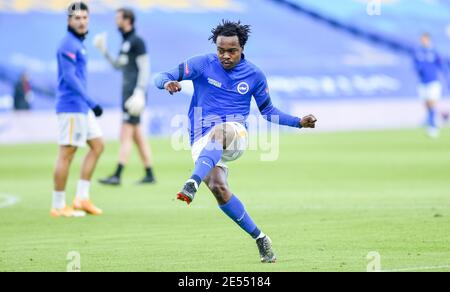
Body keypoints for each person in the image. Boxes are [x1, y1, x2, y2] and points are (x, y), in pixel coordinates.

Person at [154, 20, 317, 263]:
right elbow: (161, 75)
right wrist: (168, 82)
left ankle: (192, 182)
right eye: (221, 50)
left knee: (221, 130)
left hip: (234, 134)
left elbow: (267, 110)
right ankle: (260, 238)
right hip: (200, 138)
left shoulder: (254, 74)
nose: (226, 55)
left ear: (242, 48)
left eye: (232, 50)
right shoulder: (202, 64)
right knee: (219, 188)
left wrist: (298, 122)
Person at [51, 2, 104, 218]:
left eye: (84, 18)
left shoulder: (78, 43)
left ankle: (82, 198)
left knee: (98, 146)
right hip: (72, 106)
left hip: (81, 106)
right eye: (77, 18)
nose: (81, 22)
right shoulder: (68, 44)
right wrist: (91, 102)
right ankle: (58, 205)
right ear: (68, 21)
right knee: (67, 154)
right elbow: (70, 77)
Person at [94, 8, 156, 185]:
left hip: (134, 96)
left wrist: (140, 91)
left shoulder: (137, 41)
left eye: (118, 18)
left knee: (125, 133)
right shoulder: (126, 42)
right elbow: (117, 66)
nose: (116, 21)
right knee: (137, 136)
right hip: (128, 94)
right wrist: (104, 50)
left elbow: (145, 67)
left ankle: (117, 175)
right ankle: (149, 173)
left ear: (128, 20)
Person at [413, 33, 448, 138]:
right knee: (427, 104)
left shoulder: (434, 52)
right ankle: (434, 120)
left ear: (428, 39)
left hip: (433, 81)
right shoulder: (418, 52)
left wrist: (447, 78)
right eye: (421, 39)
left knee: (432, 103)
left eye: (424, 39)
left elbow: (442, 66)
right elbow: (415, 65)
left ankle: (433, 126)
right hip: (422, 82)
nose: (423, 41)